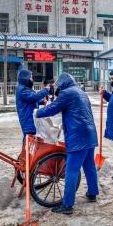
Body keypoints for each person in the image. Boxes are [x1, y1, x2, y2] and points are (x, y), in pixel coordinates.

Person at [34, 73, 99, 215]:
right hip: (90, 134)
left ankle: (67, 205)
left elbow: (53, 108)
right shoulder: (81, 92)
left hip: (78, 137)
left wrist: (37, 113)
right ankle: (93, 193)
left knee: (71, 170)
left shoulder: (67, 93)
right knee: (89, 166)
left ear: (62, 84)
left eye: (58, 86)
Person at [16, 69, 50, 140]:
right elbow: (33, 97)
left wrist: (41, 102)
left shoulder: (24, 88)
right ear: (25, 79)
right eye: (30, 77)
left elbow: (30, 100)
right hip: (28, 119)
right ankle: (25, 151)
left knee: (30, 140)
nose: (32, 79)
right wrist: (45, 90)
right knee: (29, 140)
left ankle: (25, 150)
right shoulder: (22, 89)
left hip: (29, 118)